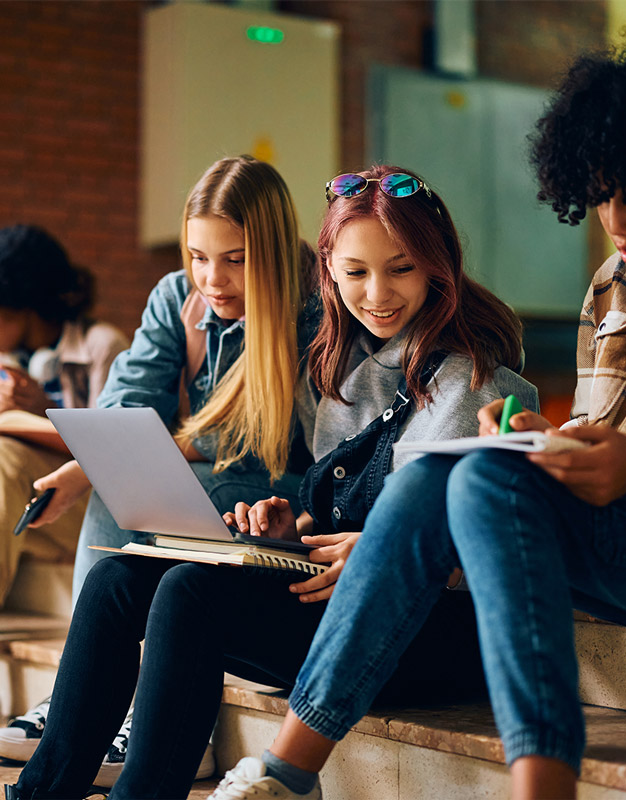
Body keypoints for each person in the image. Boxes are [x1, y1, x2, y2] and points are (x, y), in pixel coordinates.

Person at [203, 34, 626, 800]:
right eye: (602, 194)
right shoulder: (616, 287)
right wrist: (539, 444)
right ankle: (288, 774)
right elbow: (591, 448)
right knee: (449, 480)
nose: (615, 222)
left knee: (475, 482)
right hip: (624, 533)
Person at [4, 165, 538, 800]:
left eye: (400, 269)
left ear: (437, 266)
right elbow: (335, 511)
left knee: (189, 593)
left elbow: (448, 540)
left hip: (419, 630)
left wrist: (375, 547)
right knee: (119, 579)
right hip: (331, 594)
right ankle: (41, 792)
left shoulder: (469, 376)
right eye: (356, 272)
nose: (376, 294)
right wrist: (294, 527)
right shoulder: (344, 364)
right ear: (331, 272)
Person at [0, 155, 318, 786]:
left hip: (278, 496)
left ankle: (144, 712)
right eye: (199, 256)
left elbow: (254, 439)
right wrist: (92, 464)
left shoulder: (314, 309)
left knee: (143, 488)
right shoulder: (177, 297)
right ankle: (83, 697)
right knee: (118, 486)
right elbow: (124, 410)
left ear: (275, 249)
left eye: (236, 258)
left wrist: (106, 460)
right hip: (208, 478)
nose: (213, 278)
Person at [0, 224, 128, 607]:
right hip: (31, 508)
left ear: (23, 306)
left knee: (7, 456)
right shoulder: (9, 361)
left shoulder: (103, 346)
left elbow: (118, 450)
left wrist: (45, 409)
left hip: (90, 506)